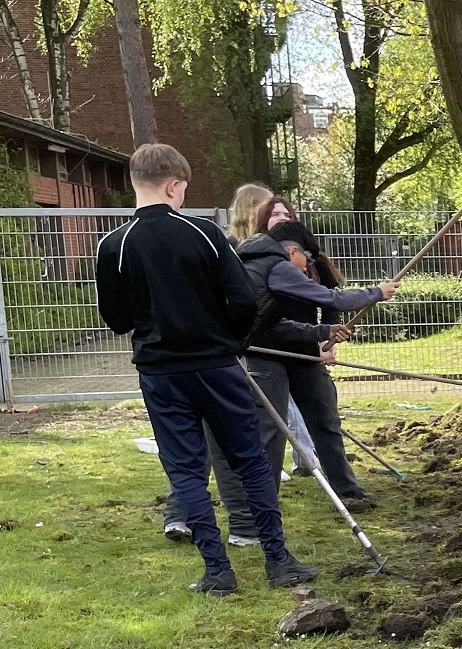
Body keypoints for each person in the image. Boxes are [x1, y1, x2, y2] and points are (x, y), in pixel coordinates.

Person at [95, 143, 316, 596]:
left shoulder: (112, 245)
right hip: (217, 366)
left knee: (185, 470)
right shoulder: (204, 234)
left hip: (160, 373)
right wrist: (229, 340)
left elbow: (116, 319)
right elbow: (243, 301)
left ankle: (218, 571)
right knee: (249, 459)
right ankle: (278, 560)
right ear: (174, 184)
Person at [238, 218, 396, 509]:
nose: (307, 267)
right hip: (263, 356)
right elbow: (330, 298)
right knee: (272, 431)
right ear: (294, 251)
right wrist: (376, 292)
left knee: (324, 419)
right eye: (307, 260)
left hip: (297, 351)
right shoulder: (276, 264)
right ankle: (262, 506)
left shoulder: (255, 261)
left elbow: (274, 324)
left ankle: (346, 490)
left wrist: (322, 332)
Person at [162, 180, 284, 546]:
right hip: (219, 357)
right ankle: (180, 514)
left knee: (216, 437)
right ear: (251, 212)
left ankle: (240, 521)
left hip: (231, 355)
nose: (275, 217)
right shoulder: (228, 248)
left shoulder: (267, 252)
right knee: (198, 436)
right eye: (269, 210)